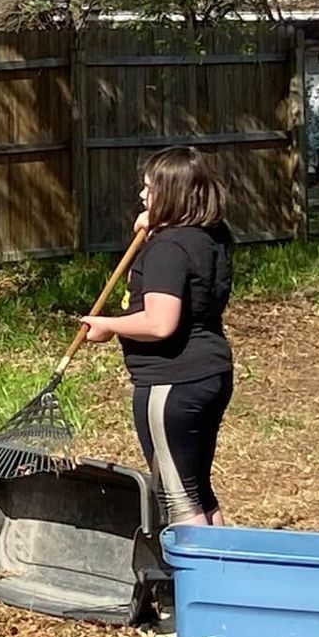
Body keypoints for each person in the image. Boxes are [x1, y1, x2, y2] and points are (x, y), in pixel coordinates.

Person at [81, 146, 235, 526]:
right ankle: (220, 561)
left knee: (177, 496)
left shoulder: (167, 249)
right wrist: (157, 224)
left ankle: (196, 566)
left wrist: (109, 325)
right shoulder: (213, 236)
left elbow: (159, 323)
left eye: (150, 189)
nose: (142, 195)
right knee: (197, 488)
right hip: (211, 373)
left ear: (172, 194)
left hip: (171, 383)